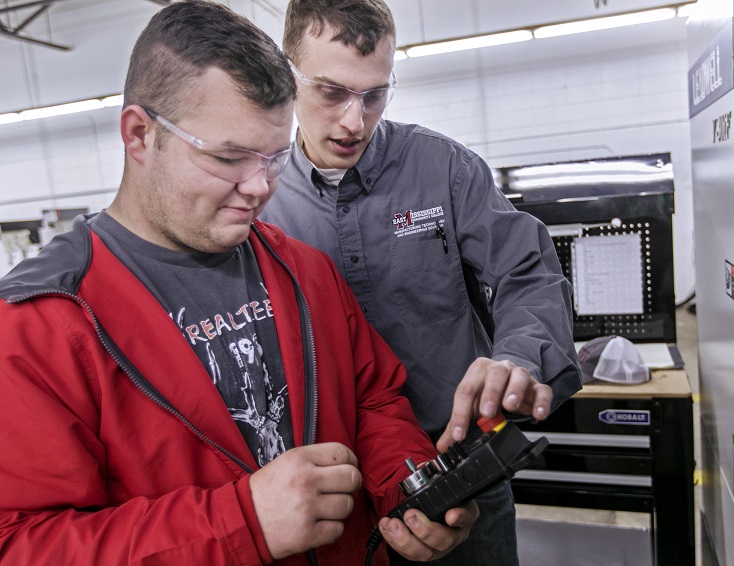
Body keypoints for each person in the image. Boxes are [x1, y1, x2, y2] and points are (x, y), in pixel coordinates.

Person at [0, 2, 477, 564]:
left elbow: (371, 399)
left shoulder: (304, 272)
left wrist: (409, 486)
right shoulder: (39, 323)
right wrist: (241, 522)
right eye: (229, 157)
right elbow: (22, 543)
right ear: (139, 135)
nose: (259, 187)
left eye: (275, 158)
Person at [259, 1, 583, 564]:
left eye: (374, 94)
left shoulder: (445, 170)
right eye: (332, 92)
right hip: (332, 496)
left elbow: (527, 273)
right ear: (289, 77)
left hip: (459, 474)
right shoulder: (258, 199)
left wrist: (519, 358)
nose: (354, 121)